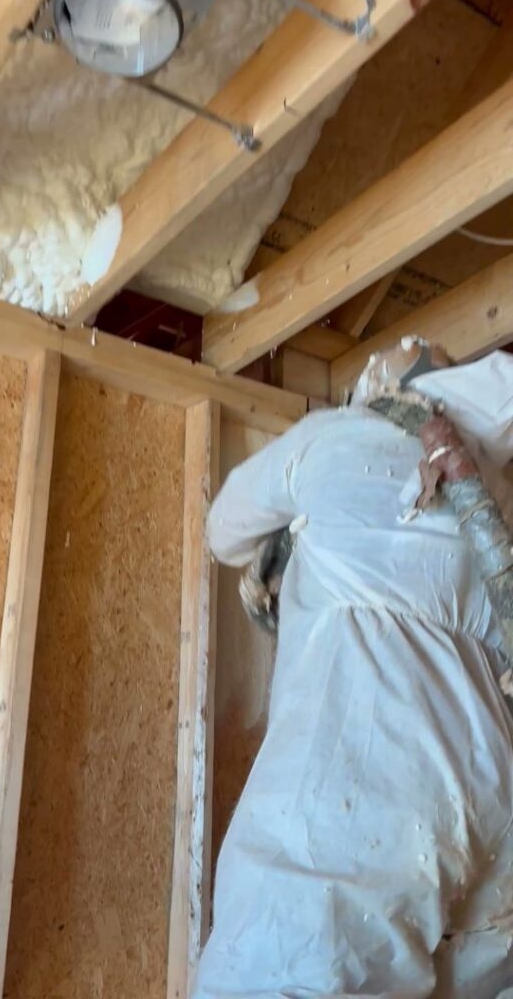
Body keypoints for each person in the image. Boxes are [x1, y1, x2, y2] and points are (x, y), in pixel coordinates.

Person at [193, 342, 513, 999]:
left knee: (279, 972)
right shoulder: (497, 503)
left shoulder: (337, 438)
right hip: (492, 798)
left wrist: (297, 527)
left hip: (356, 802)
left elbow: (222, 531)